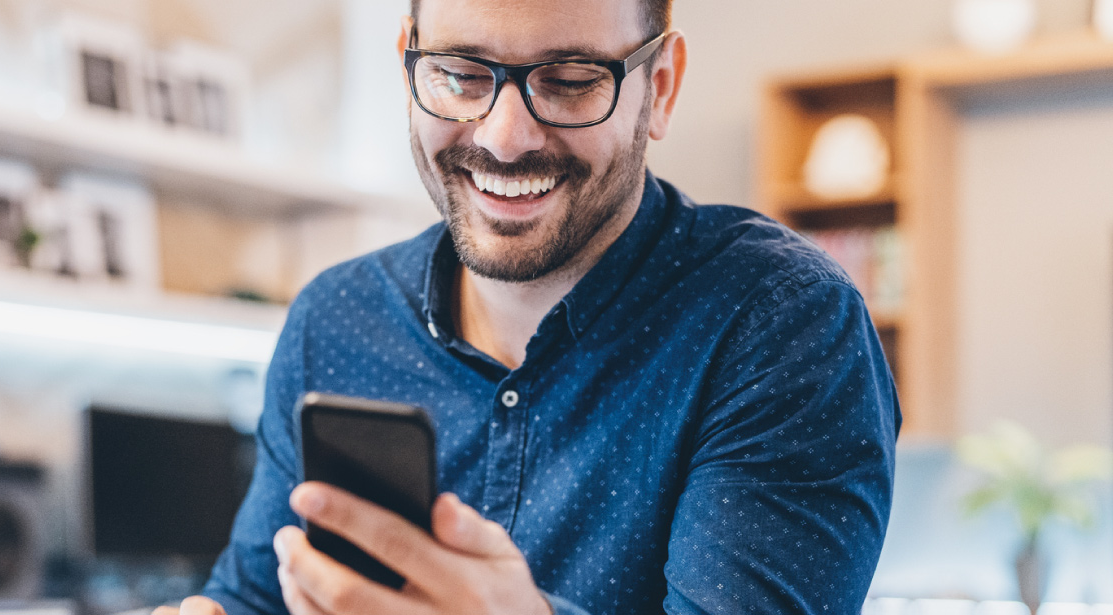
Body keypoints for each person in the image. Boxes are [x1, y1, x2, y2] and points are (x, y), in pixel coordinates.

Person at [159, 0, 900, 613]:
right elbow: (254, 596)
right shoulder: (335, 318)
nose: (505, 137)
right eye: (457, 74)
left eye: (572, 80)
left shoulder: (781, 322)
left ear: (661, 87)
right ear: (410, 67)